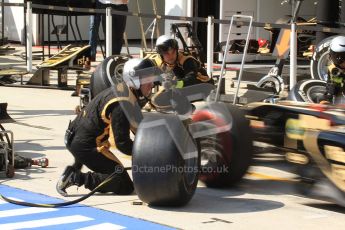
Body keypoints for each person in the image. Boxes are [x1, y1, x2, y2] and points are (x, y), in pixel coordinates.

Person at [56, 58, 155, 196]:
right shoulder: (122, 103)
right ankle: (77, 178)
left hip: (76, 136)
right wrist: (148, 156)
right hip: (86, 145)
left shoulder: (124, 91)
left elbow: (137, 127)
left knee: (109, 163)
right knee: (124, 184)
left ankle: (73, 171)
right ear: (134, 79)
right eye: (147, 79)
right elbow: (121, 143)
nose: (151, 84)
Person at [321, 36, 345, 104]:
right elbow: (331, 86)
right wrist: (327, 99)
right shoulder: (334, 69)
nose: (342, 61)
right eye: (337, 56)